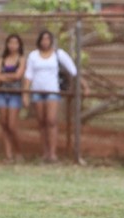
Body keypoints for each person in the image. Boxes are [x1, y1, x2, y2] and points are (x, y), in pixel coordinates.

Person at [23, 30, 89, 163]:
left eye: (48, 39)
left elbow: (73, 70)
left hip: (53, 92)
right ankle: (45, 153)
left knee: (51, 121)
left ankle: (53, 153)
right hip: (37, 92)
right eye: (43, 39)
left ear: (51, 41)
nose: (45, 42)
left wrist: (84, 85)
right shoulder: (33, 56)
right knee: (42, 123)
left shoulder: (59, 54)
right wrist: (25, 93)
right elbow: (28, 75)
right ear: (39, 41)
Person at [0, 34, 26, 164]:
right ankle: (8, 155)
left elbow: (18, 76)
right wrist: (10, 76)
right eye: (10, 42)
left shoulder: (22, 59)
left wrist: (4, 76)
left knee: (12, 125)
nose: (12, 45)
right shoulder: (1, 59)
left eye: (15, 43)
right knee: (3, 123)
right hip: (2, 93)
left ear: (19, 45)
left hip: (15, 93)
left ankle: (19, 152)